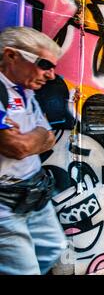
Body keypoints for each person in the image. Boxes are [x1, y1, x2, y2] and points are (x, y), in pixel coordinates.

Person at [0, 26, 67, 274]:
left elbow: (48, 137)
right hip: (5, 205)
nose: (51, 75)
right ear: (11, 56)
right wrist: (35, 137)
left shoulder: (25, 91)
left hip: (34, 195)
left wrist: (34, 137)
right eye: (44, 64)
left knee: (53, 247)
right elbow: (17, 147)